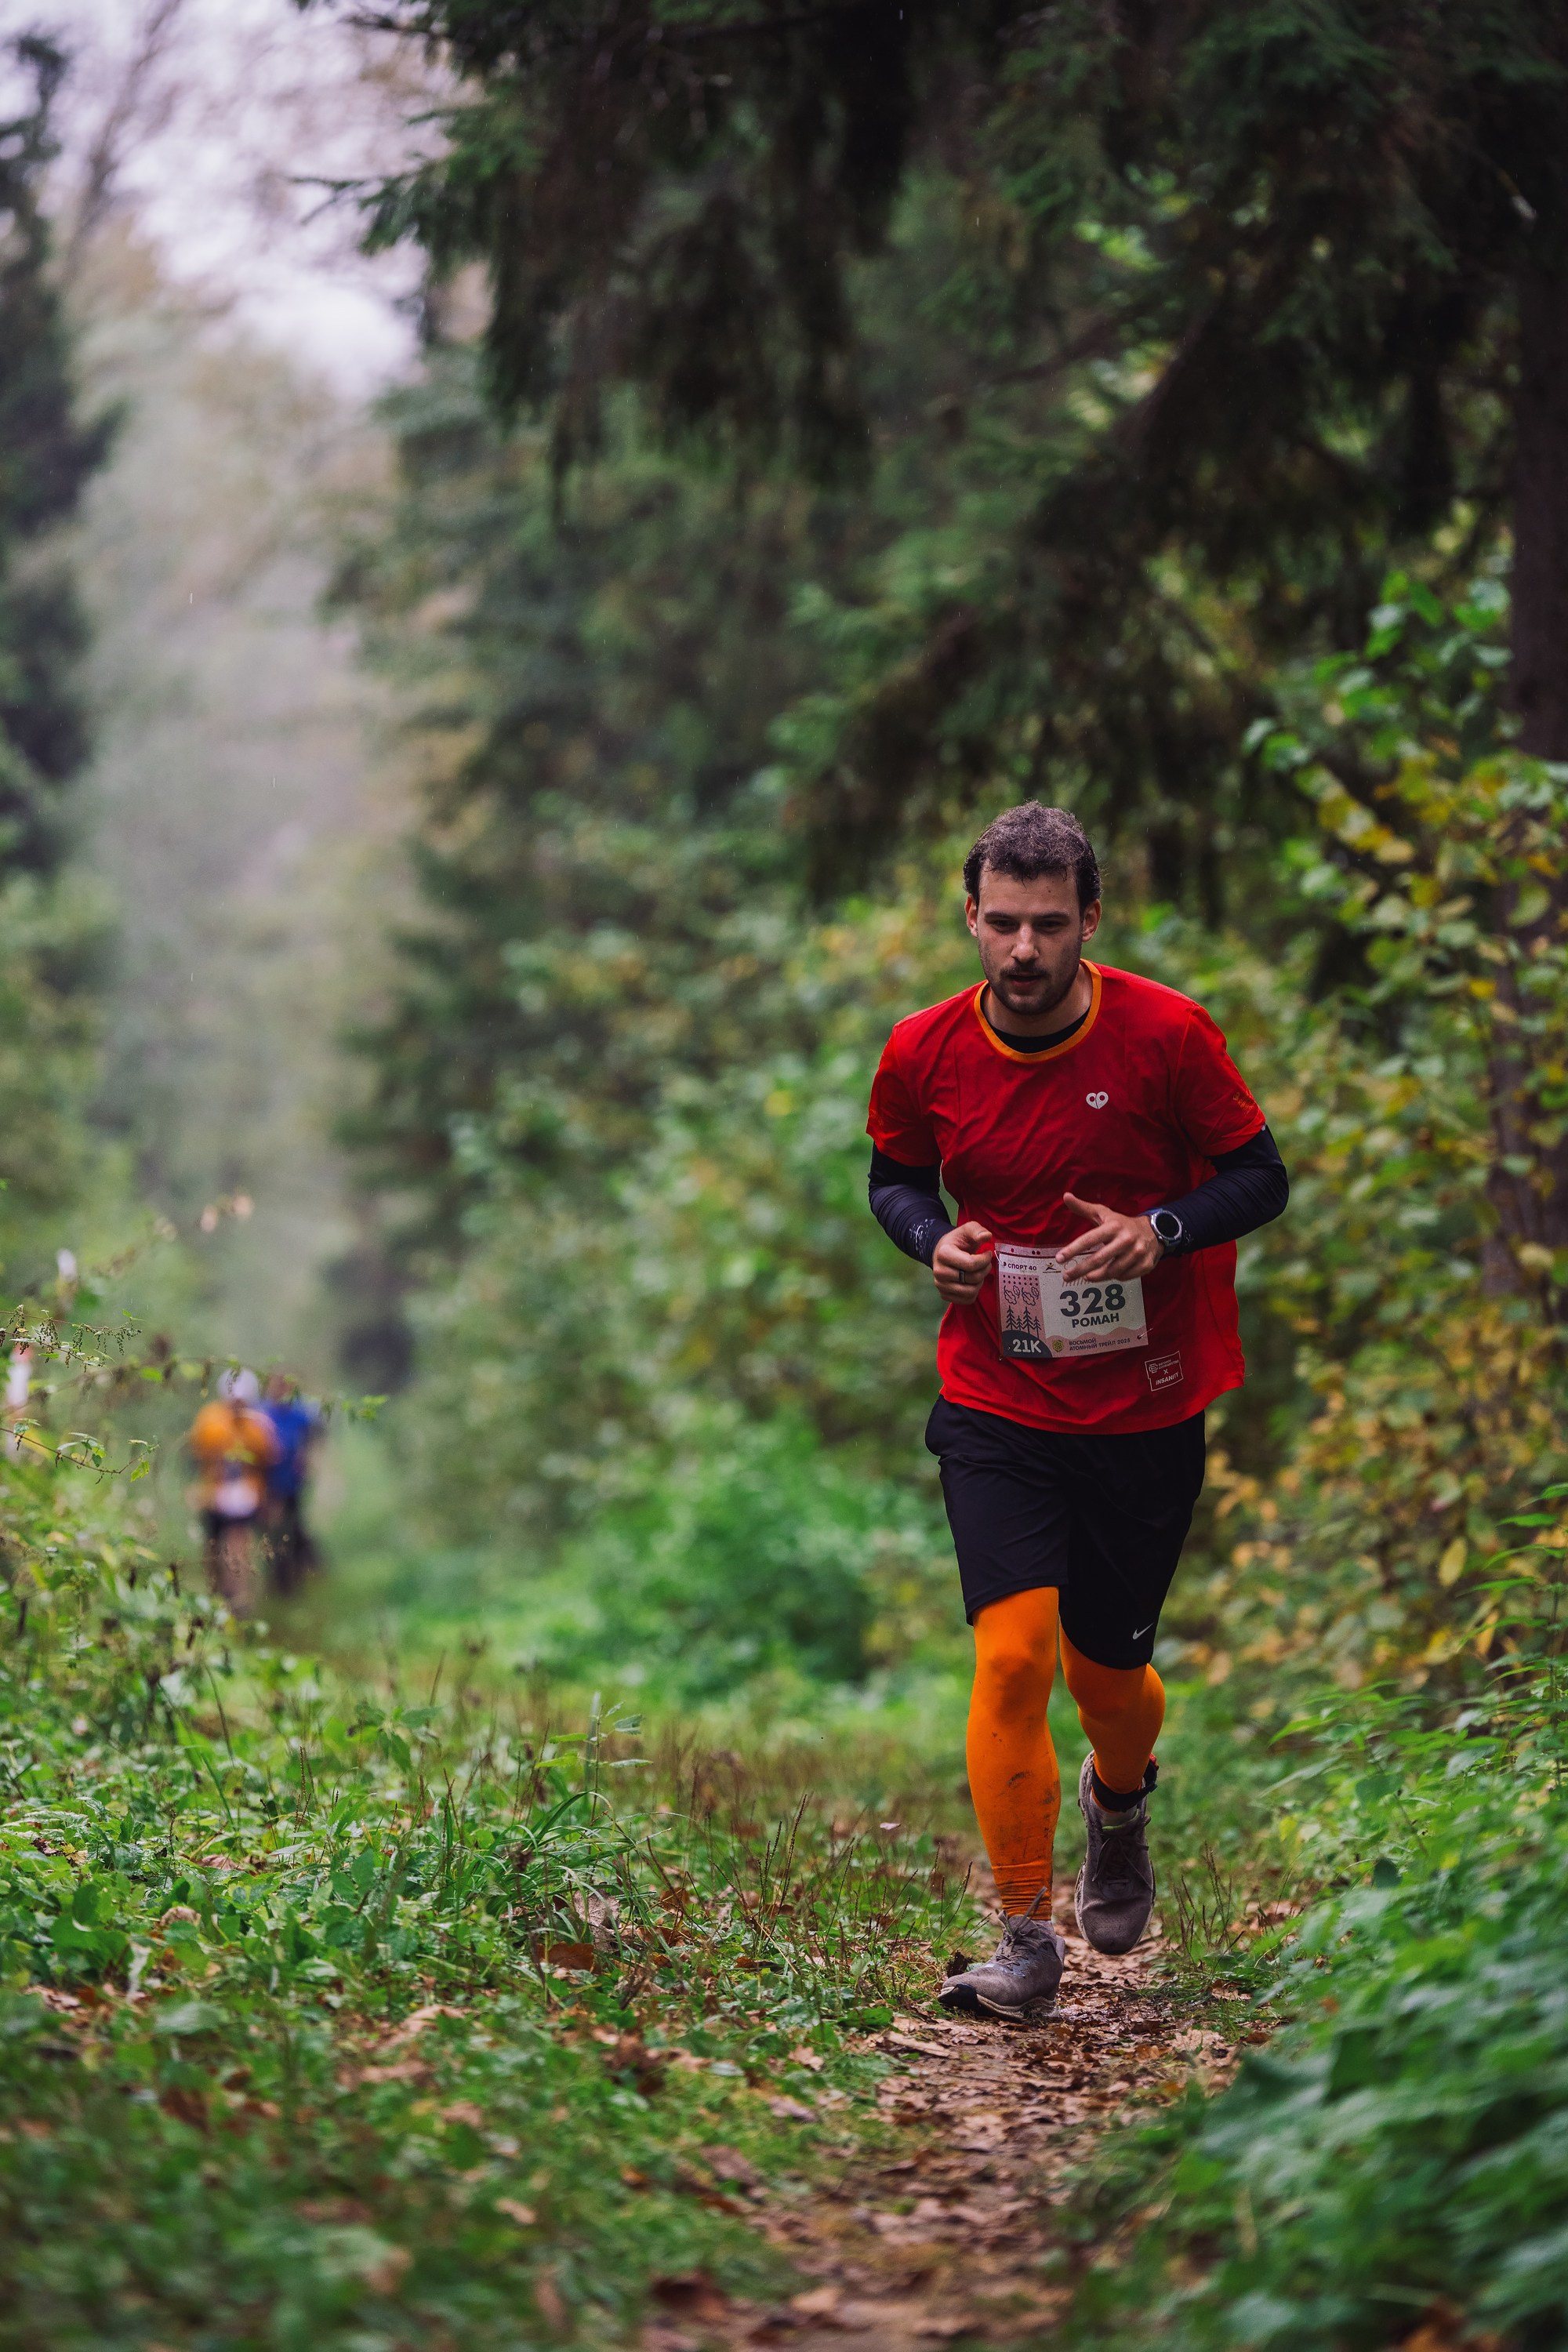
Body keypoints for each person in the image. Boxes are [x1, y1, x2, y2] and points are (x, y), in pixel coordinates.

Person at [866, 802, 1287, 2019]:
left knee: (1110, 1680)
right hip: (997, 1399)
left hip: (1145, 1406)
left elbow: (1260, 1176)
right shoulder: (922, 1050)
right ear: (971, 916)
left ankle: (1120, 1797)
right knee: (1012, 1656)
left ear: (1090, 921)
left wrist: (1162, 1231)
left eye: (1049, 924)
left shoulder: (1167, 1035)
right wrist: (931, 1240)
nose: (1023, 949)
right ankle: (1023, 1938)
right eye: (1002, 922)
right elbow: (896, 1178)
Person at [187, 1370, 279, 1617]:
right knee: (213, 1548)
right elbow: (196, 1457)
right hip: (214, 1495)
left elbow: (269, 1464)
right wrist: (196, 1489)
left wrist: (269, 1499)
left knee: (239, 1544)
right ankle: (216, 1597)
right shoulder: (209, 1421)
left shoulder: (259, 1426)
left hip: (247, 1497)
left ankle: (239, 1599)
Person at [260, 1371, 321, 1598]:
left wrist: (305, 1459)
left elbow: (311, 1436)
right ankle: (280, 1578)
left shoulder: (299, 1413)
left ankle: (297, 1574)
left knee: (293, 1526)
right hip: (268, 1484)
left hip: (292, 1482)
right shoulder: (261, 1414)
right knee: (274, 1531)